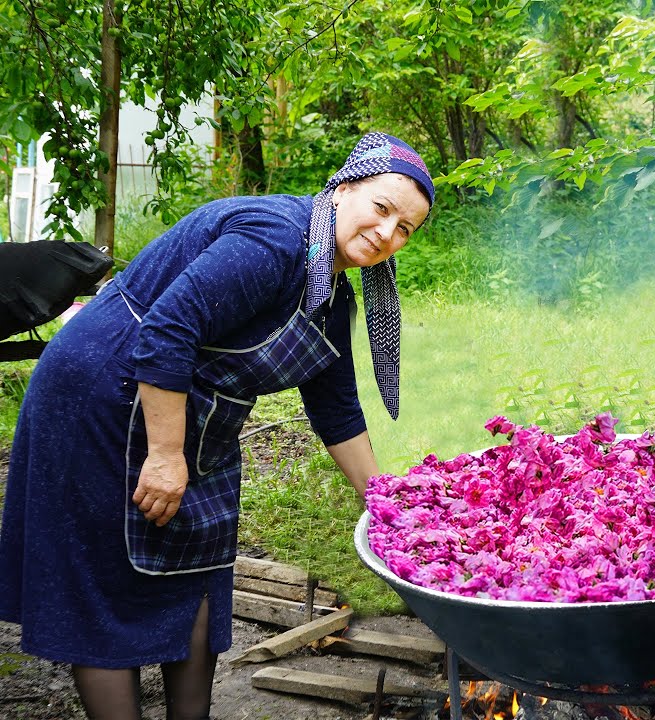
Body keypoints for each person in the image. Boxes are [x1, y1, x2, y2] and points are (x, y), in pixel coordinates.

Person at [0, 132, 434, 718]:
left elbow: (335, 411)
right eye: (382, 209)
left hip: (192, 421)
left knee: (199, 573)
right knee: (105, 587)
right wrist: (164, 455)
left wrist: (386, 507)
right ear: (345, 188)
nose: (387, 234)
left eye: (405, 229)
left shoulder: (331, 296)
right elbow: (168, 329)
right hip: (102, 394)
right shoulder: (275, 239)